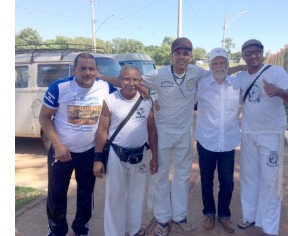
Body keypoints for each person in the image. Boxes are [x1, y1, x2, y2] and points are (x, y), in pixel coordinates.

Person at [98, 37, 245, 236]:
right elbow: (129, 81)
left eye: (186, 53)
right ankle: (162, 217)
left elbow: (220, 70)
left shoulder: (197, 72)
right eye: (178, 53)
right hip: (163, 131)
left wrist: (246, 67)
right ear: (172, 55)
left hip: (184, 132)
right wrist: (100, 76)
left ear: (191, 56)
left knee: (182, 176)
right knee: (160, 176)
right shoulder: (159, 74)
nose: (182, 57)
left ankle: (180, 216)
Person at [39, 52, 117, 236]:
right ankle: (57, 230)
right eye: (83, 68)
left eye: (92, 68)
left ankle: (81, 228)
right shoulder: (60, 87)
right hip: (61, 150)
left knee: (85, 193)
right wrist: (57, 146)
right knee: (57, 194)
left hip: (89, 151)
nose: (87, 72)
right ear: (74, 70)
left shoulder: (105, 87)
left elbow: (126, 84)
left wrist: (142, 90)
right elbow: (44, 117)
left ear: (97, 70)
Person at [236, 39, 288, 236]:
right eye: (248, 53)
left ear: (263, 53)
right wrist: (237, 66)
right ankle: (250, 217)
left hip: (271, 134)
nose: (253, 56)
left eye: (256, 52)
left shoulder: (276, 72)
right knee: (249, 177)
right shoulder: (241, 77)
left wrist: (278, 91)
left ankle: (270, 227)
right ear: (244, 56)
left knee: (270, 181)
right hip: (248, 133)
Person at [92, 65, 158, 236]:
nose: (131, 83)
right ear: (120, 81)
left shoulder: (147, 100)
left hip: (141, 154)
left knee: (137, 196)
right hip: (116, 154)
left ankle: (134, 229)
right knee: (115, 197)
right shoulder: (110, 100)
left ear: (140, 81)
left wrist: (154, 157)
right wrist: (98, 159)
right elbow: (102, 130)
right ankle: (114, 233)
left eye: (135, 79)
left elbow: (151, 129)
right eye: (127, 79)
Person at [194, 47, 241, 234]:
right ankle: (209, 213)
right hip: (206, 141)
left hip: (228, 142)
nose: (219, 66)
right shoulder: (202, 84)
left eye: (223, 63)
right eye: (215, 63)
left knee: (227, 182)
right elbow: (185, 98)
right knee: (206, 180)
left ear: (228, 65)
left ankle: (224, 215)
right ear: (210, 65)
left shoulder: (237, 84)